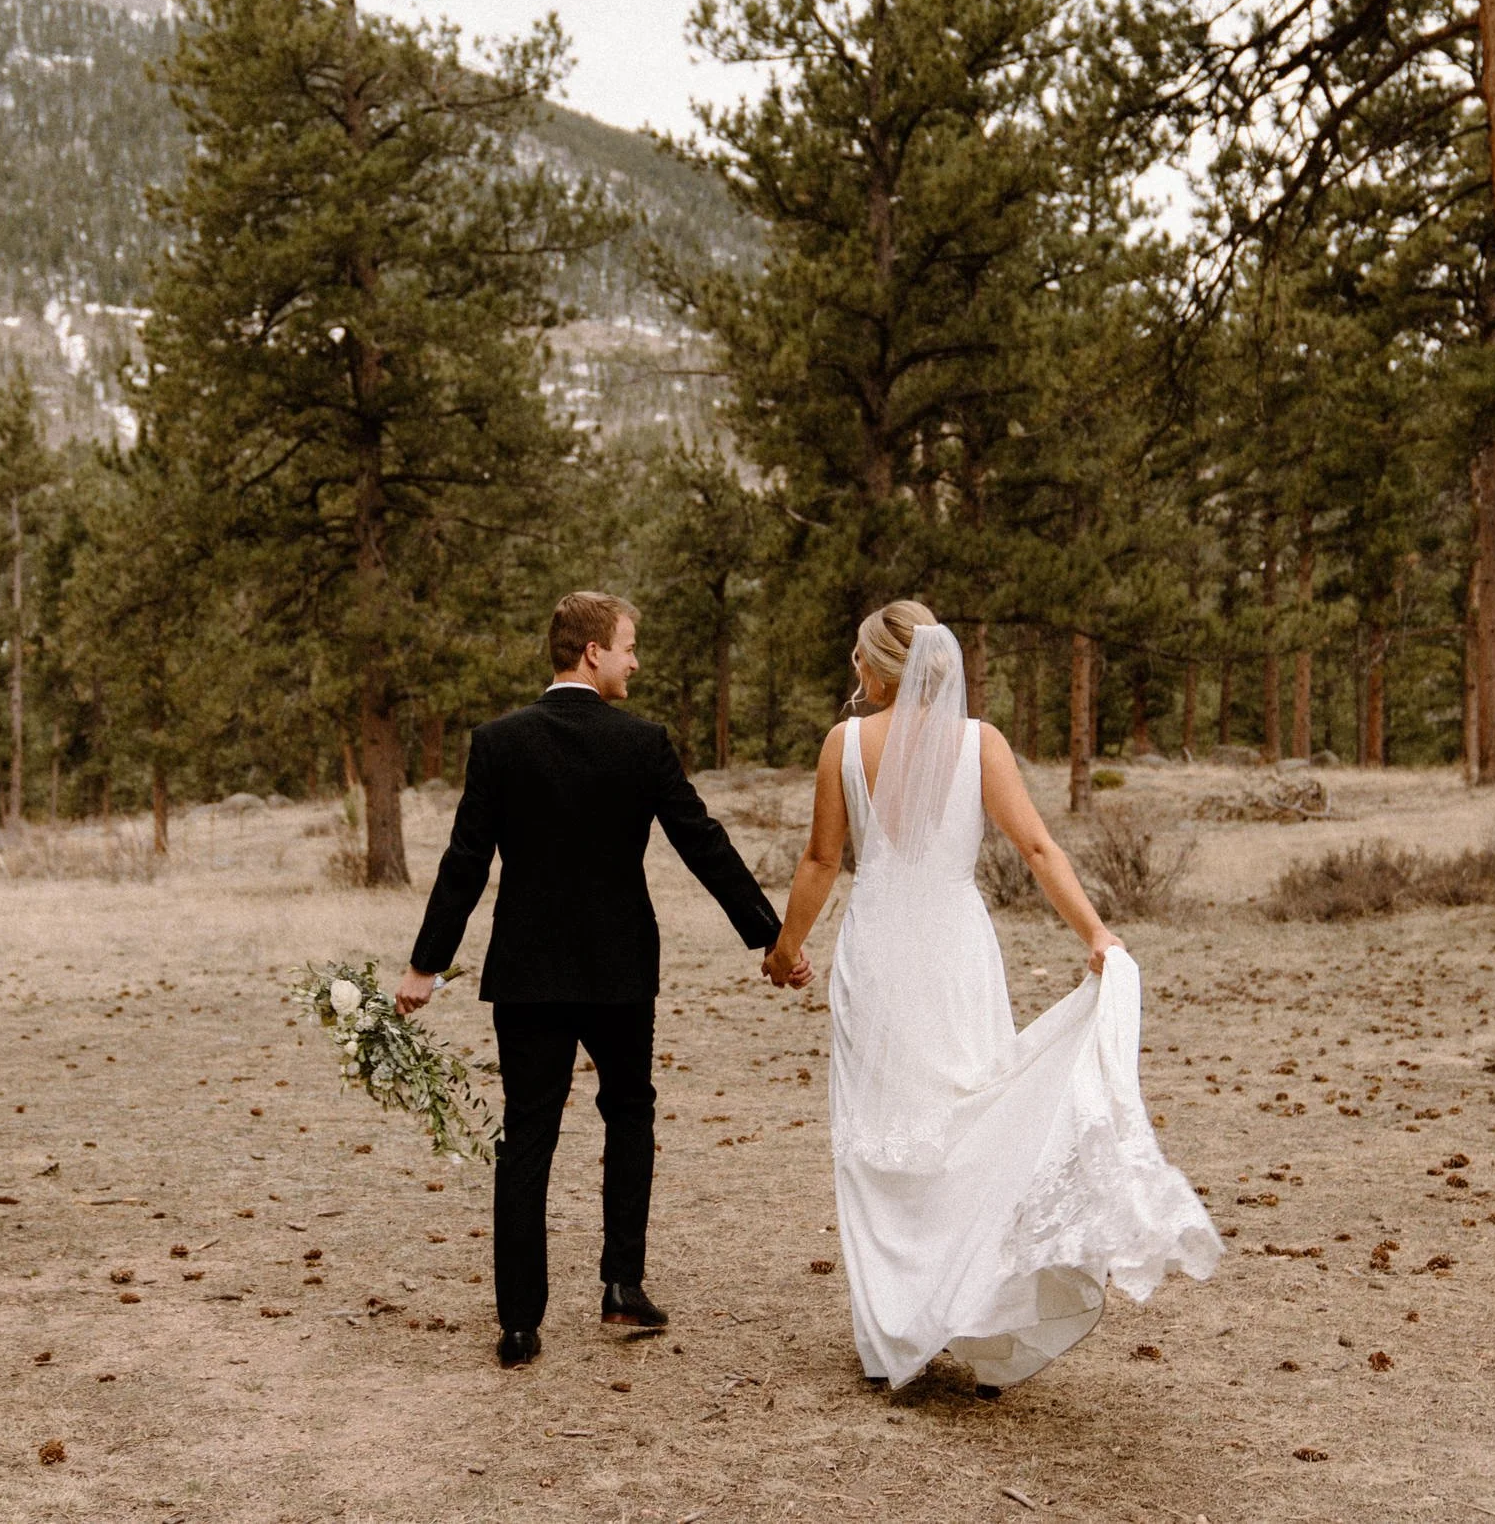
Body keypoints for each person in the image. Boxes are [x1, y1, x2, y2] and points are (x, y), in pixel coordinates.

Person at [763, 600, 1222, 1393]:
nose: (854, 669)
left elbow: (820, 860)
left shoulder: (844, 744)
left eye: (859, 657)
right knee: (969, 1120)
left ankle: (890, 1335)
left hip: (878, 952)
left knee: (878, 1136)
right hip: (954, 951)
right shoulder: (981, 744)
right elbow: (1037, 847)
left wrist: (786, 948)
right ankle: (969, 1314)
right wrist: (1094, 930)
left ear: (883, 668)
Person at [401, 591, 787, 1370]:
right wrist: (771, 934)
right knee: (629, 1113)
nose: (635, 661)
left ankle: (518, 1325)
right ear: (592, 652)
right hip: (618, 970)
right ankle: (621, 1285)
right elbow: (702, 841)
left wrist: (426, 964)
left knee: (527, 1135)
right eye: (628, 646)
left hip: (528, 974)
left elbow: (465, 861)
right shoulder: (642, 743)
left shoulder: (499, 742)